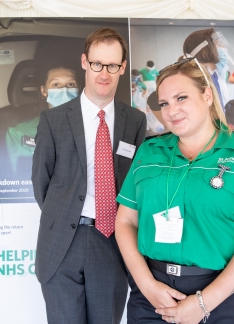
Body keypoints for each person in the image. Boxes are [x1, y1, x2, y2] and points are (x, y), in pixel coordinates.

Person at [115, 56, 234, 324]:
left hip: (223, 296)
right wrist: (147, 286)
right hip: (153, 297)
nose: (172, 111)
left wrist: (204, 303)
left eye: (181, 98)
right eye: (164, 103)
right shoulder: (149, 151)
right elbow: (125, 221)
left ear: (207, 95)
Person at [32, 28, 147, 324]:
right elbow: (41, 183)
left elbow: (135, 182)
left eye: (112, 65)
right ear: (85, 62)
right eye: (97, 64)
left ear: (122, 67)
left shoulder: (134, 121)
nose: (104, 73)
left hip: (112, 241)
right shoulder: (53, 120)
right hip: (61, 243)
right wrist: (66, 213)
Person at [6, 61, 79, 173]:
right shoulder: (19, 133)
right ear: (44, 91)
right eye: (56, 85)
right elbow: (20, 178)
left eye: (70, 84)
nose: (64, 90)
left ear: (79, 89)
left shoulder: (95, 130)